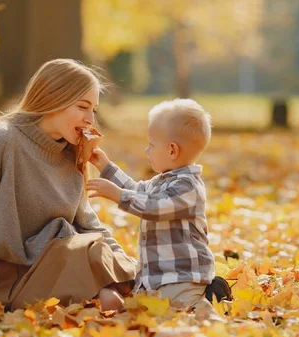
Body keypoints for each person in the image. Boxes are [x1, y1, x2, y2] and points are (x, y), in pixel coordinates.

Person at [0, 59, 136, 315]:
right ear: (54, 99)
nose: (90, 119)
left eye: (94, 109)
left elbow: (89, 223)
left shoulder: (71, 154)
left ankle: (121, 289)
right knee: (88, 254)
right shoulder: (1, 142)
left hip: (65, 263)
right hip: (9, 278)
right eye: (83, 107)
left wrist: (128, 266)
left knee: (98, 257)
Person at [87, 99, 230, 319]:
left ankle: (212, 299)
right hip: (155, 280)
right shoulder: (161, 182)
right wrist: (106, 168)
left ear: (172, 150)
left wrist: (117, 195)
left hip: (181, 280)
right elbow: (136, 191)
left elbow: (155, 207)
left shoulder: (188, 187)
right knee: (125, 305)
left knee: (178, 316)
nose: (147, 150)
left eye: (151, 144)